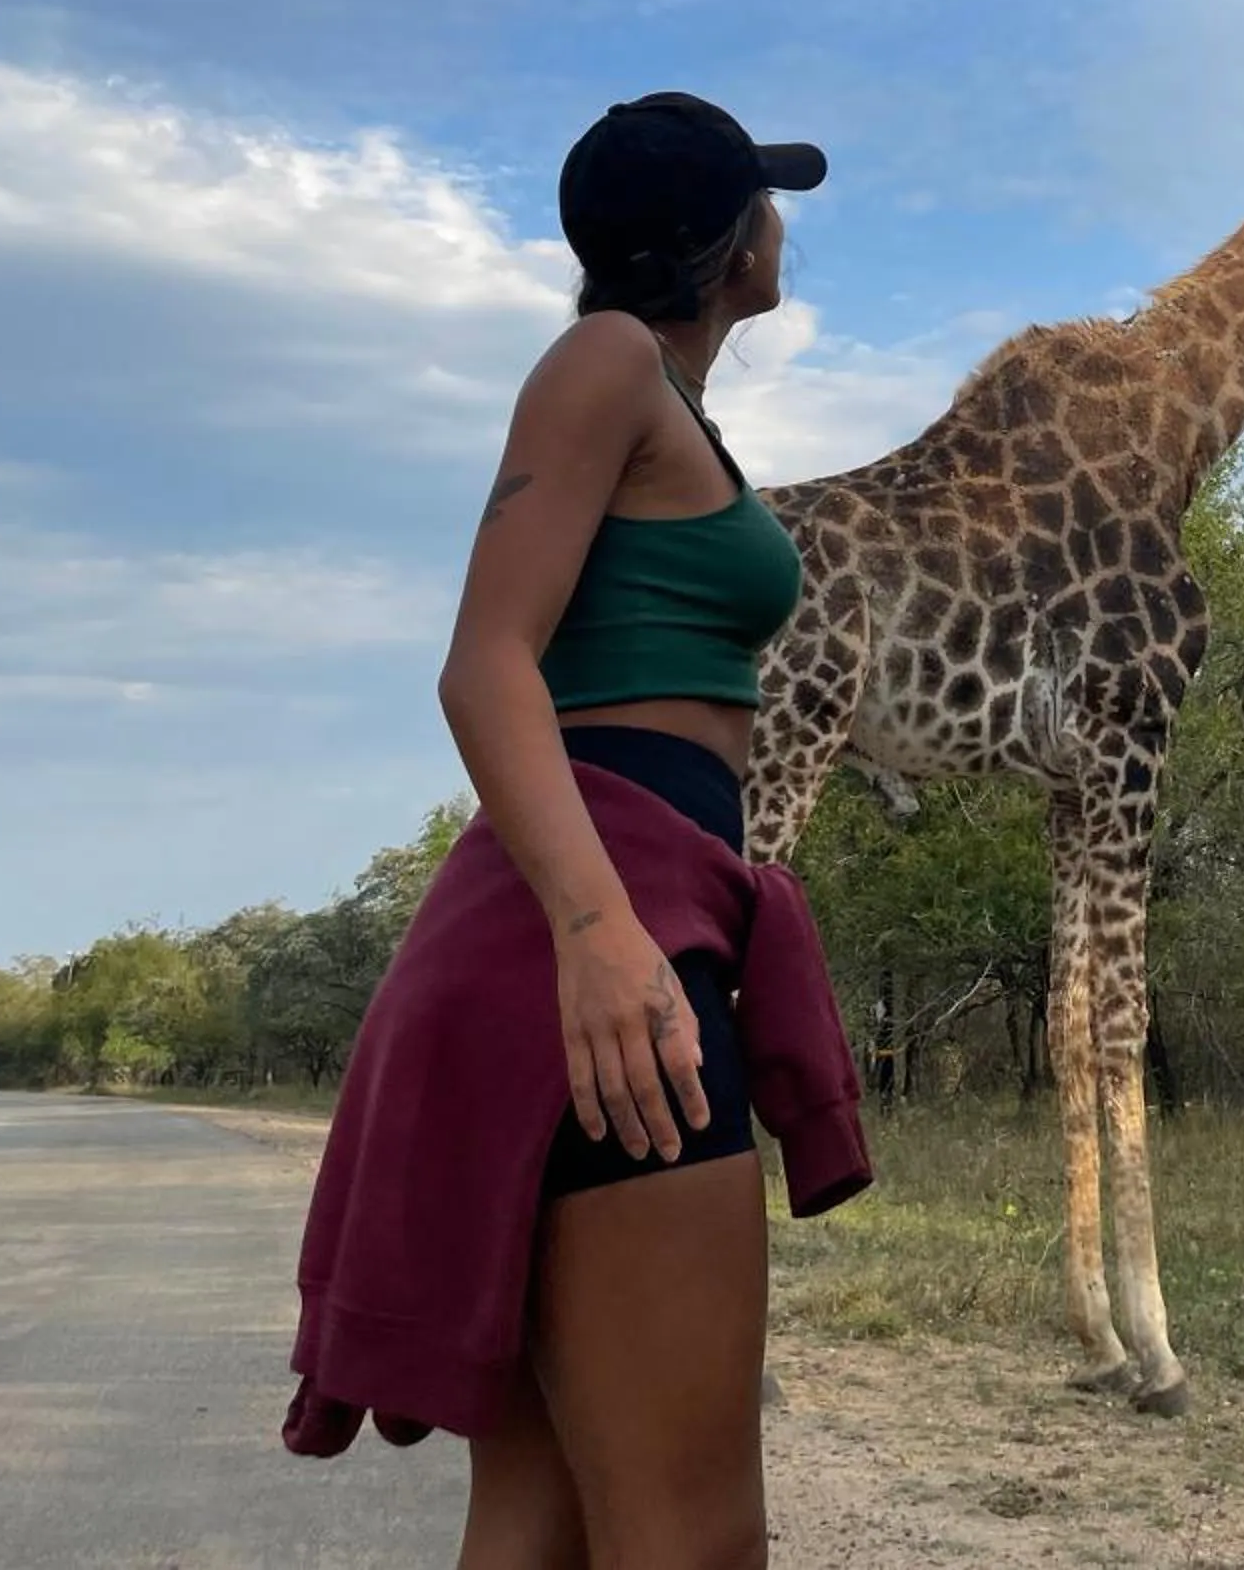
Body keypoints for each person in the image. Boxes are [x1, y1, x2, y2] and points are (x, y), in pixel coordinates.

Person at [283, 92, 868, 1570]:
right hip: (605, 936)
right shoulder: (605, 359)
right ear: (726, 243)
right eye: (766, 201)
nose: (784, 225)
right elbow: (486, 658)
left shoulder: (665, 402)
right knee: (690, 1534)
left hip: (614, 914)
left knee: (541, 1516)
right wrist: (600, 937)